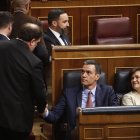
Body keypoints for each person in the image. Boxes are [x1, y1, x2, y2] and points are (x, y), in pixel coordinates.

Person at [43, 60, 118, 140]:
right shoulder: (69, 93)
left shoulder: (108, 91)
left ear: (97, 76)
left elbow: (116, 115)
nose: (83, 75)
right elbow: (55, 115)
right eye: (82, 72)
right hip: (76, 136)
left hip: (100, 135)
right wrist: (44, 111)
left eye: (88, 72)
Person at [0, 23, 47, 140]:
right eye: (37, 43)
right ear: (32, 41)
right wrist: (42, 109)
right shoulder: (34, 62)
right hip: (17, 121)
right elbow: (39, 92)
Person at [10, 0, 49, 71]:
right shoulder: (34, 21)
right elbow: (42, 52)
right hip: (29, 65)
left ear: (13, 6)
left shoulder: (6, 20)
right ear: (27, 6)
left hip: (8, 64)